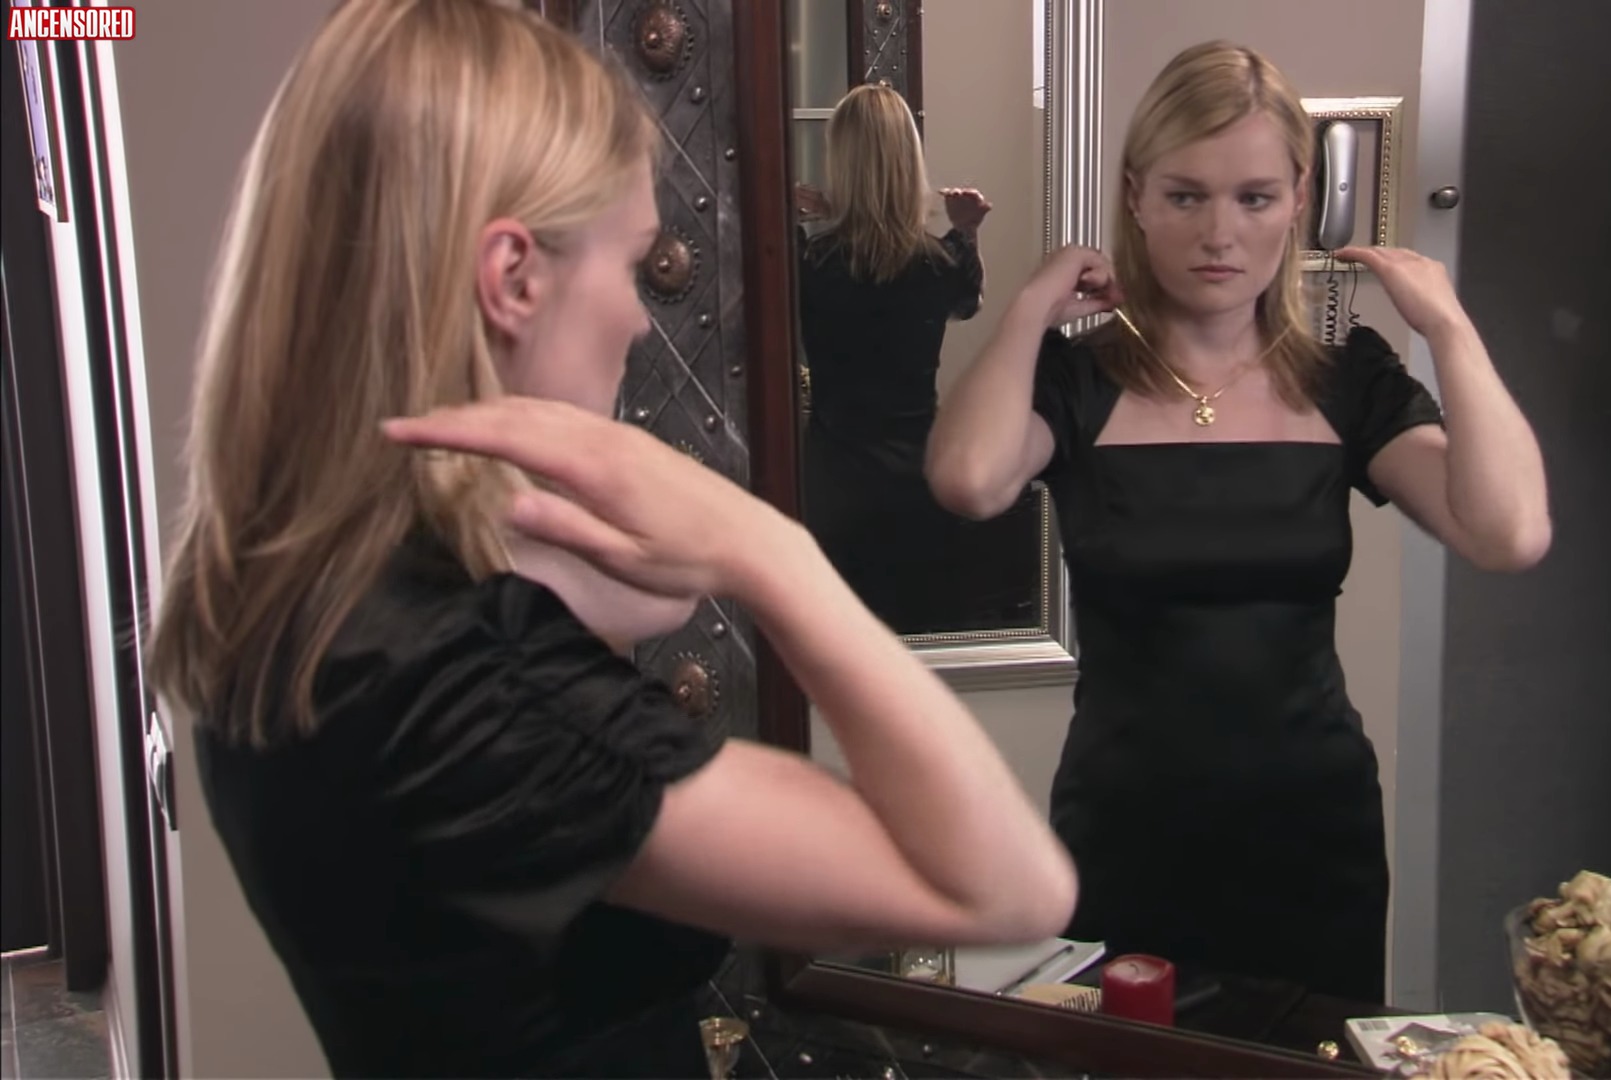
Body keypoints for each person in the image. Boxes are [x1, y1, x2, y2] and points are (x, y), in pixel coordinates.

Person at [145, 2, 1075, 1076]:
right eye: (632, 264)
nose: (640, 320)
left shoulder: (299, 596)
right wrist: (767, 551)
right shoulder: (470, 691)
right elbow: (1005, 885)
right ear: (512, 278)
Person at [925, 40, 1550, 1003]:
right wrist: (1032, 308)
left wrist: (1451, 330)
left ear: (1299, 200)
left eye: (1254, 197)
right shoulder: (1078, 380)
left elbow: (1508, 534)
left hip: (1314, 836)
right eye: (1186, 196)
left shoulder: (1350, 379)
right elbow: (968, 483)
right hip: (1125, 825)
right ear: (1135, 197)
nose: (1219, 233)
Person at [793, 84, 1034, 635]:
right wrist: (966, 230)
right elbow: (969, 303)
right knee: (918, 642)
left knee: (836, 642)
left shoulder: (811, 263)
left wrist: (802, 213)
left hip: (833, 480)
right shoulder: (935, 264)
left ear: (840, 160)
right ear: (908, 159)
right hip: (917, 479)